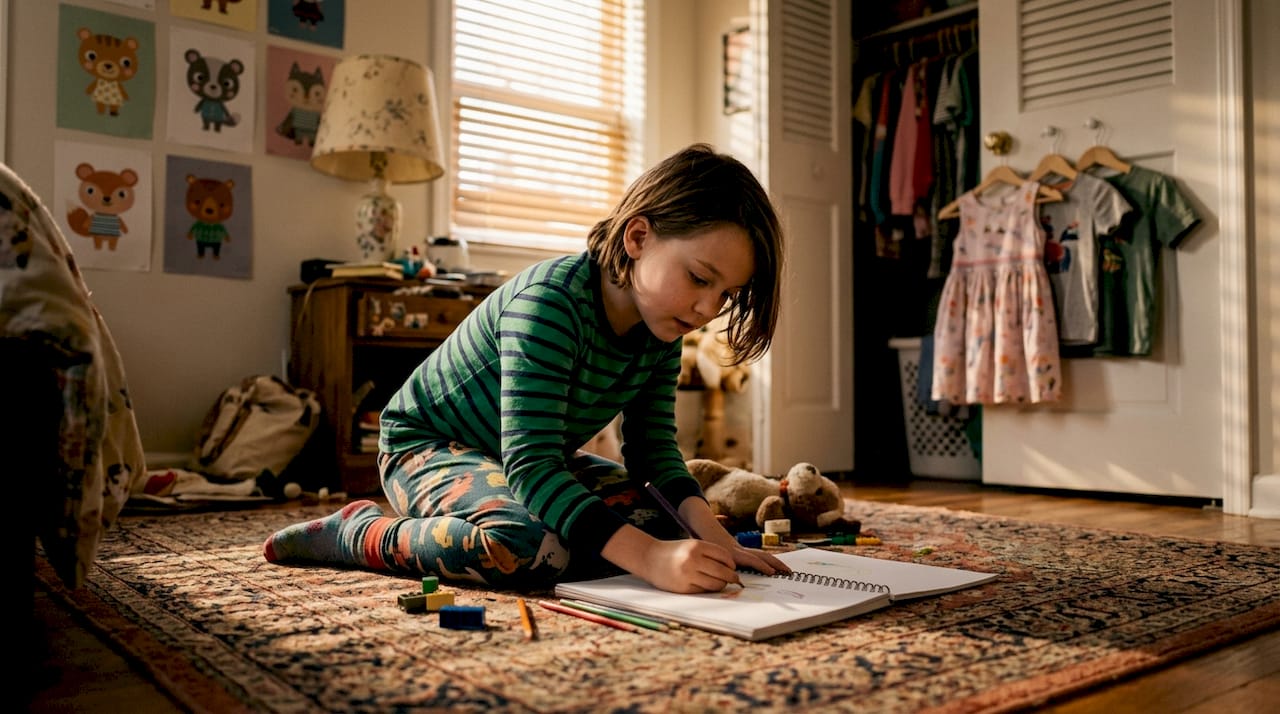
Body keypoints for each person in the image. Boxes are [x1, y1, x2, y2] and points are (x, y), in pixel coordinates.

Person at [263, 143, 791, 593]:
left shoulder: (662, 326)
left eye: (725, 294)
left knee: (668, 527)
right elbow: (533, 465)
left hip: (526, 458)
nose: (707, 310)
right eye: (700, 278)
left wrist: (712, 539)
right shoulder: (550, 304)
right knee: (526, 546)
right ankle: (358, 532)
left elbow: (652, 452)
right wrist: (649, 561)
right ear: (637, 238)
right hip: (423, 447)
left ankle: (513, 520)